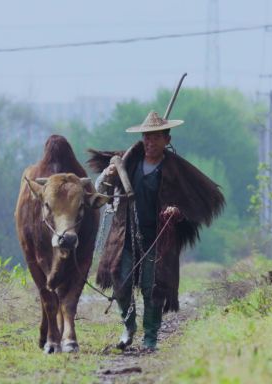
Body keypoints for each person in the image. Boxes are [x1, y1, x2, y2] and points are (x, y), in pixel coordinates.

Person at [88, 111, 225, 351]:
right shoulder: (126, 161)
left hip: (158, 239)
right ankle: (128, 327)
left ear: (166, 140)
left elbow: (189, 202)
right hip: (125, 234)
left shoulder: (175, 169)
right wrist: (108, 176)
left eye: (155, 138)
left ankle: (151, 337)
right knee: (121, 281)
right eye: (146, 137)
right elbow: (101, 189)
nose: (149, 143)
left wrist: (176, 210)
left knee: (154, 289)